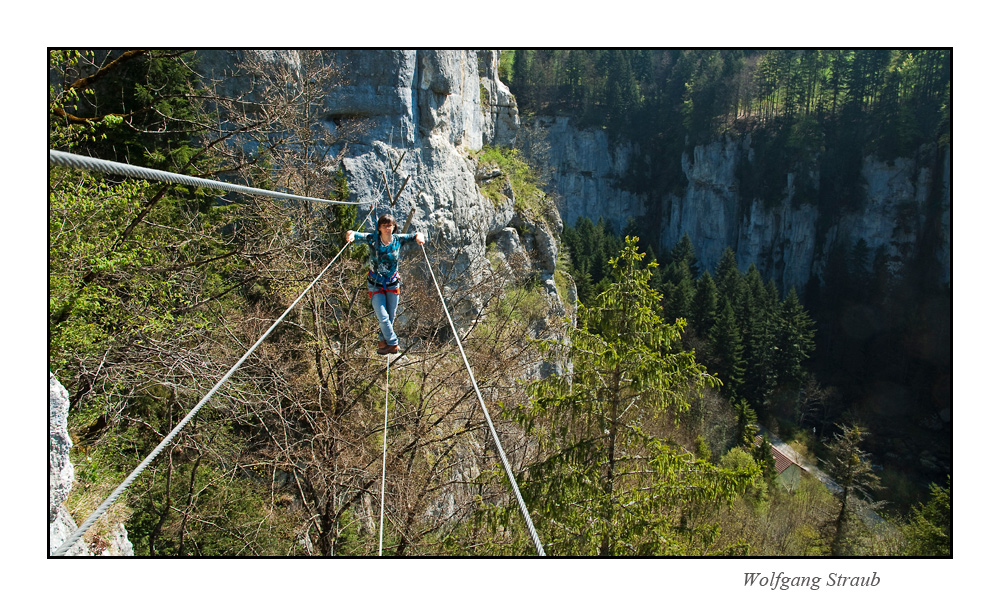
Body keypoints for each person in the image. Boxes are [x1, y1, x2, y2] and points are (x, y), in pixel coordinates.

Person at [346, 214, 425, 355]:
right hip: (375, 283)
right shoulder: (373, 239)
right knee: (383, 317)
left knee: (390, 317)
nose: (387, 228)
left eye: (390, 225)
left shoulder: (398, 239)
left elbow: (416, 235)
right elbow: (353, 233)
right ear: (379, 228)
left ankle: (383, 341)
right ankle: (393, 343)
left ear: (394, 227)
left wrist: (420, 237)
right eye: (384, 225)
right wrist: (350, 236)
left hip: (392, 284)